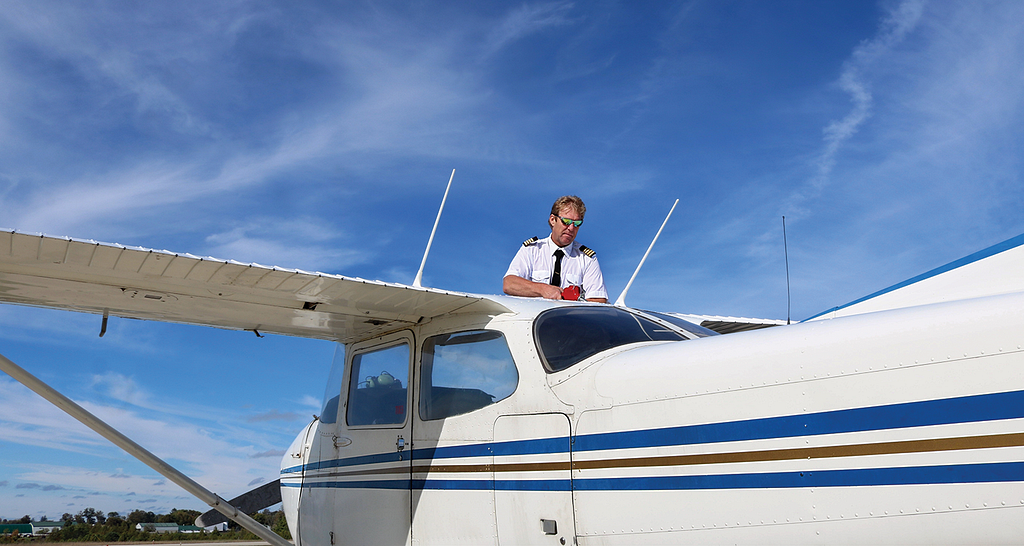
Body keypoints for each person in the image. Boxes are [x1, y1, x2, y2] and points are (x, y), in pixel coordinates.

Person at [503, 195, 608, 302]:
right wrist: (543, 289)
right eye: (566, 221)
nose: (571, 228)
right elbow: (509, 284)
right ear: (553, 220)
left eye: (577, 223)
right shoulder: (532, 250)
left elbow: (598, 299)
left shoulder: (586, 258)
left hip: (569, 318)